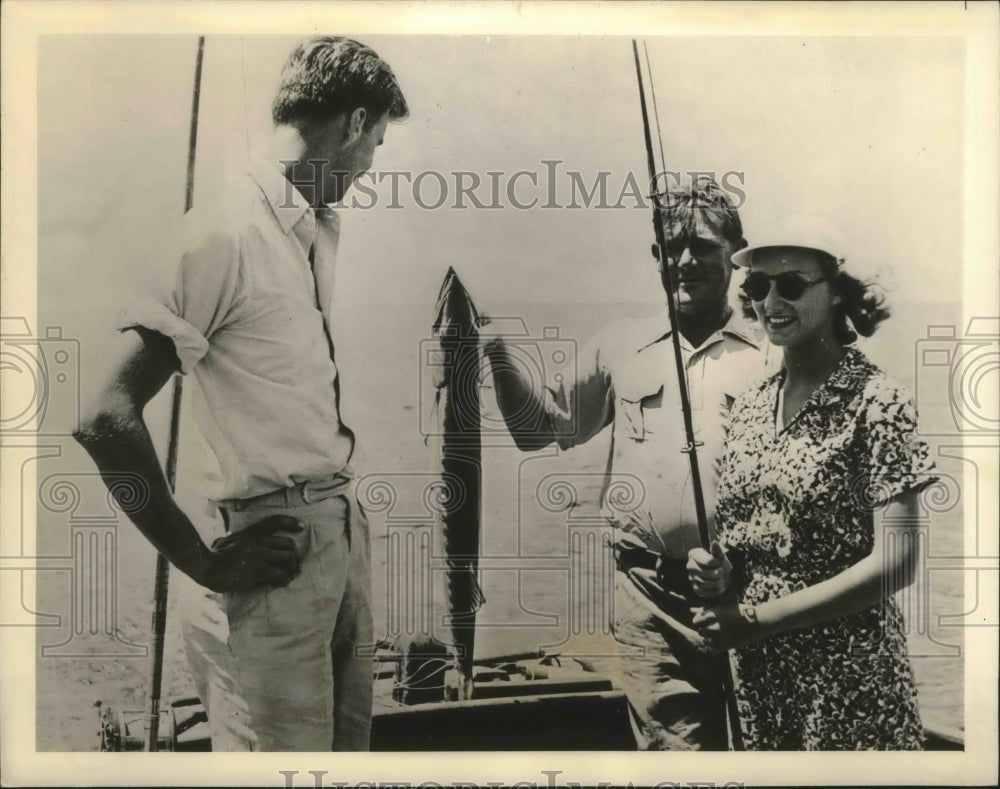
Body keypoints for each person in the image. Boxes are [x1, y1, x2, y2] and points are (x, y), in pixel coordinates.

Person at [73, 36, 409, 751]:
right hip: (269, 569)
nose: (369, 168)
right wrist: (201, 561)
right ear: (354, 123)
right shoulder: (225, 234)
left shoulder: (308, 232)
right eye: (376, 144)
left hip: (335, 548)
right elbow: (104, 416)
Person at [485, 177, 773, 750]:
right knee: (672, 763)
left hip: (755, 599)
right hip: (650, 605)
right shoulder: (620, 344)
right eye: (672, 248)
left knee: (769, 753)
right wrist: (496, 354)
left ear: (736, 255)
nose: (685, 261)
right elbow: (535, 432)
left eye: (703, 246)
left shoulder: (775, 353)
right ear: (656, 256)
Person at [687, 214, 935, 750]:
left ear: (837, 292)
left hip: (849, 679)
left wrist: (755, 619)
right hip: (761, 680)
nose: (771, 302)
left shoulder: (878, 402)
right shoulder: (750, 404)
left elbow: (897, 563)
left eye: (792, 285)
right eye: (758, 286)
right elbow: (752, 542)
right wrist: (719, 572)